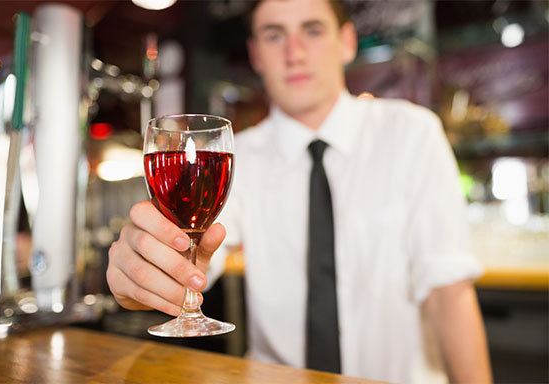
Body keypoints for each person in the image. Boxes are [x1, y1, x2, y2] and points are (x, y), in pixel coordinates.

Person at [107, 0, 493, 382]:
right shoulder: (235, 155)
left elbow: (449, 293)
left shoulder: (412, 133)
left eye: (312, 30)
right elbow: (201, 250)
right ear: (255, 55)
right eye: (275, 36)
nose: (295, 53)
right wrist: (145, 277)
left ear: (346, 41)